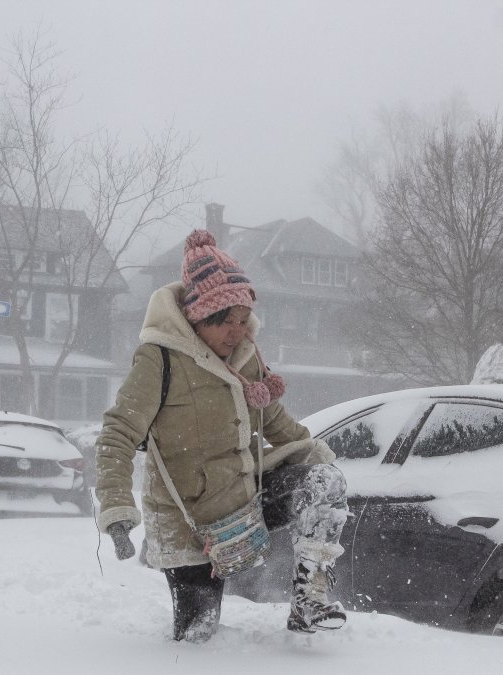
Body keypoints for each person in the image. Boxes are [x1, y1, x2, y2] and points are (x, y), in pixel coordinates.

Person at [95, 229, 350, 642]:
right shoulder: (159, 359)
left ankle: (310, 599)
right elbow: (118, 433)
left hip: (245, 498)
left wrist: (327, 460)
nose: (236, 332)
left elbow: (279, 425)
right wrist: (117, 508)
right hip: (189, 521)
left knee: (323, 480)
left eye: (243, 320)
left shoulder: (246, 360)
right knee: (199, 638)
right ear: (198, 316)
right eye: (225, 321)